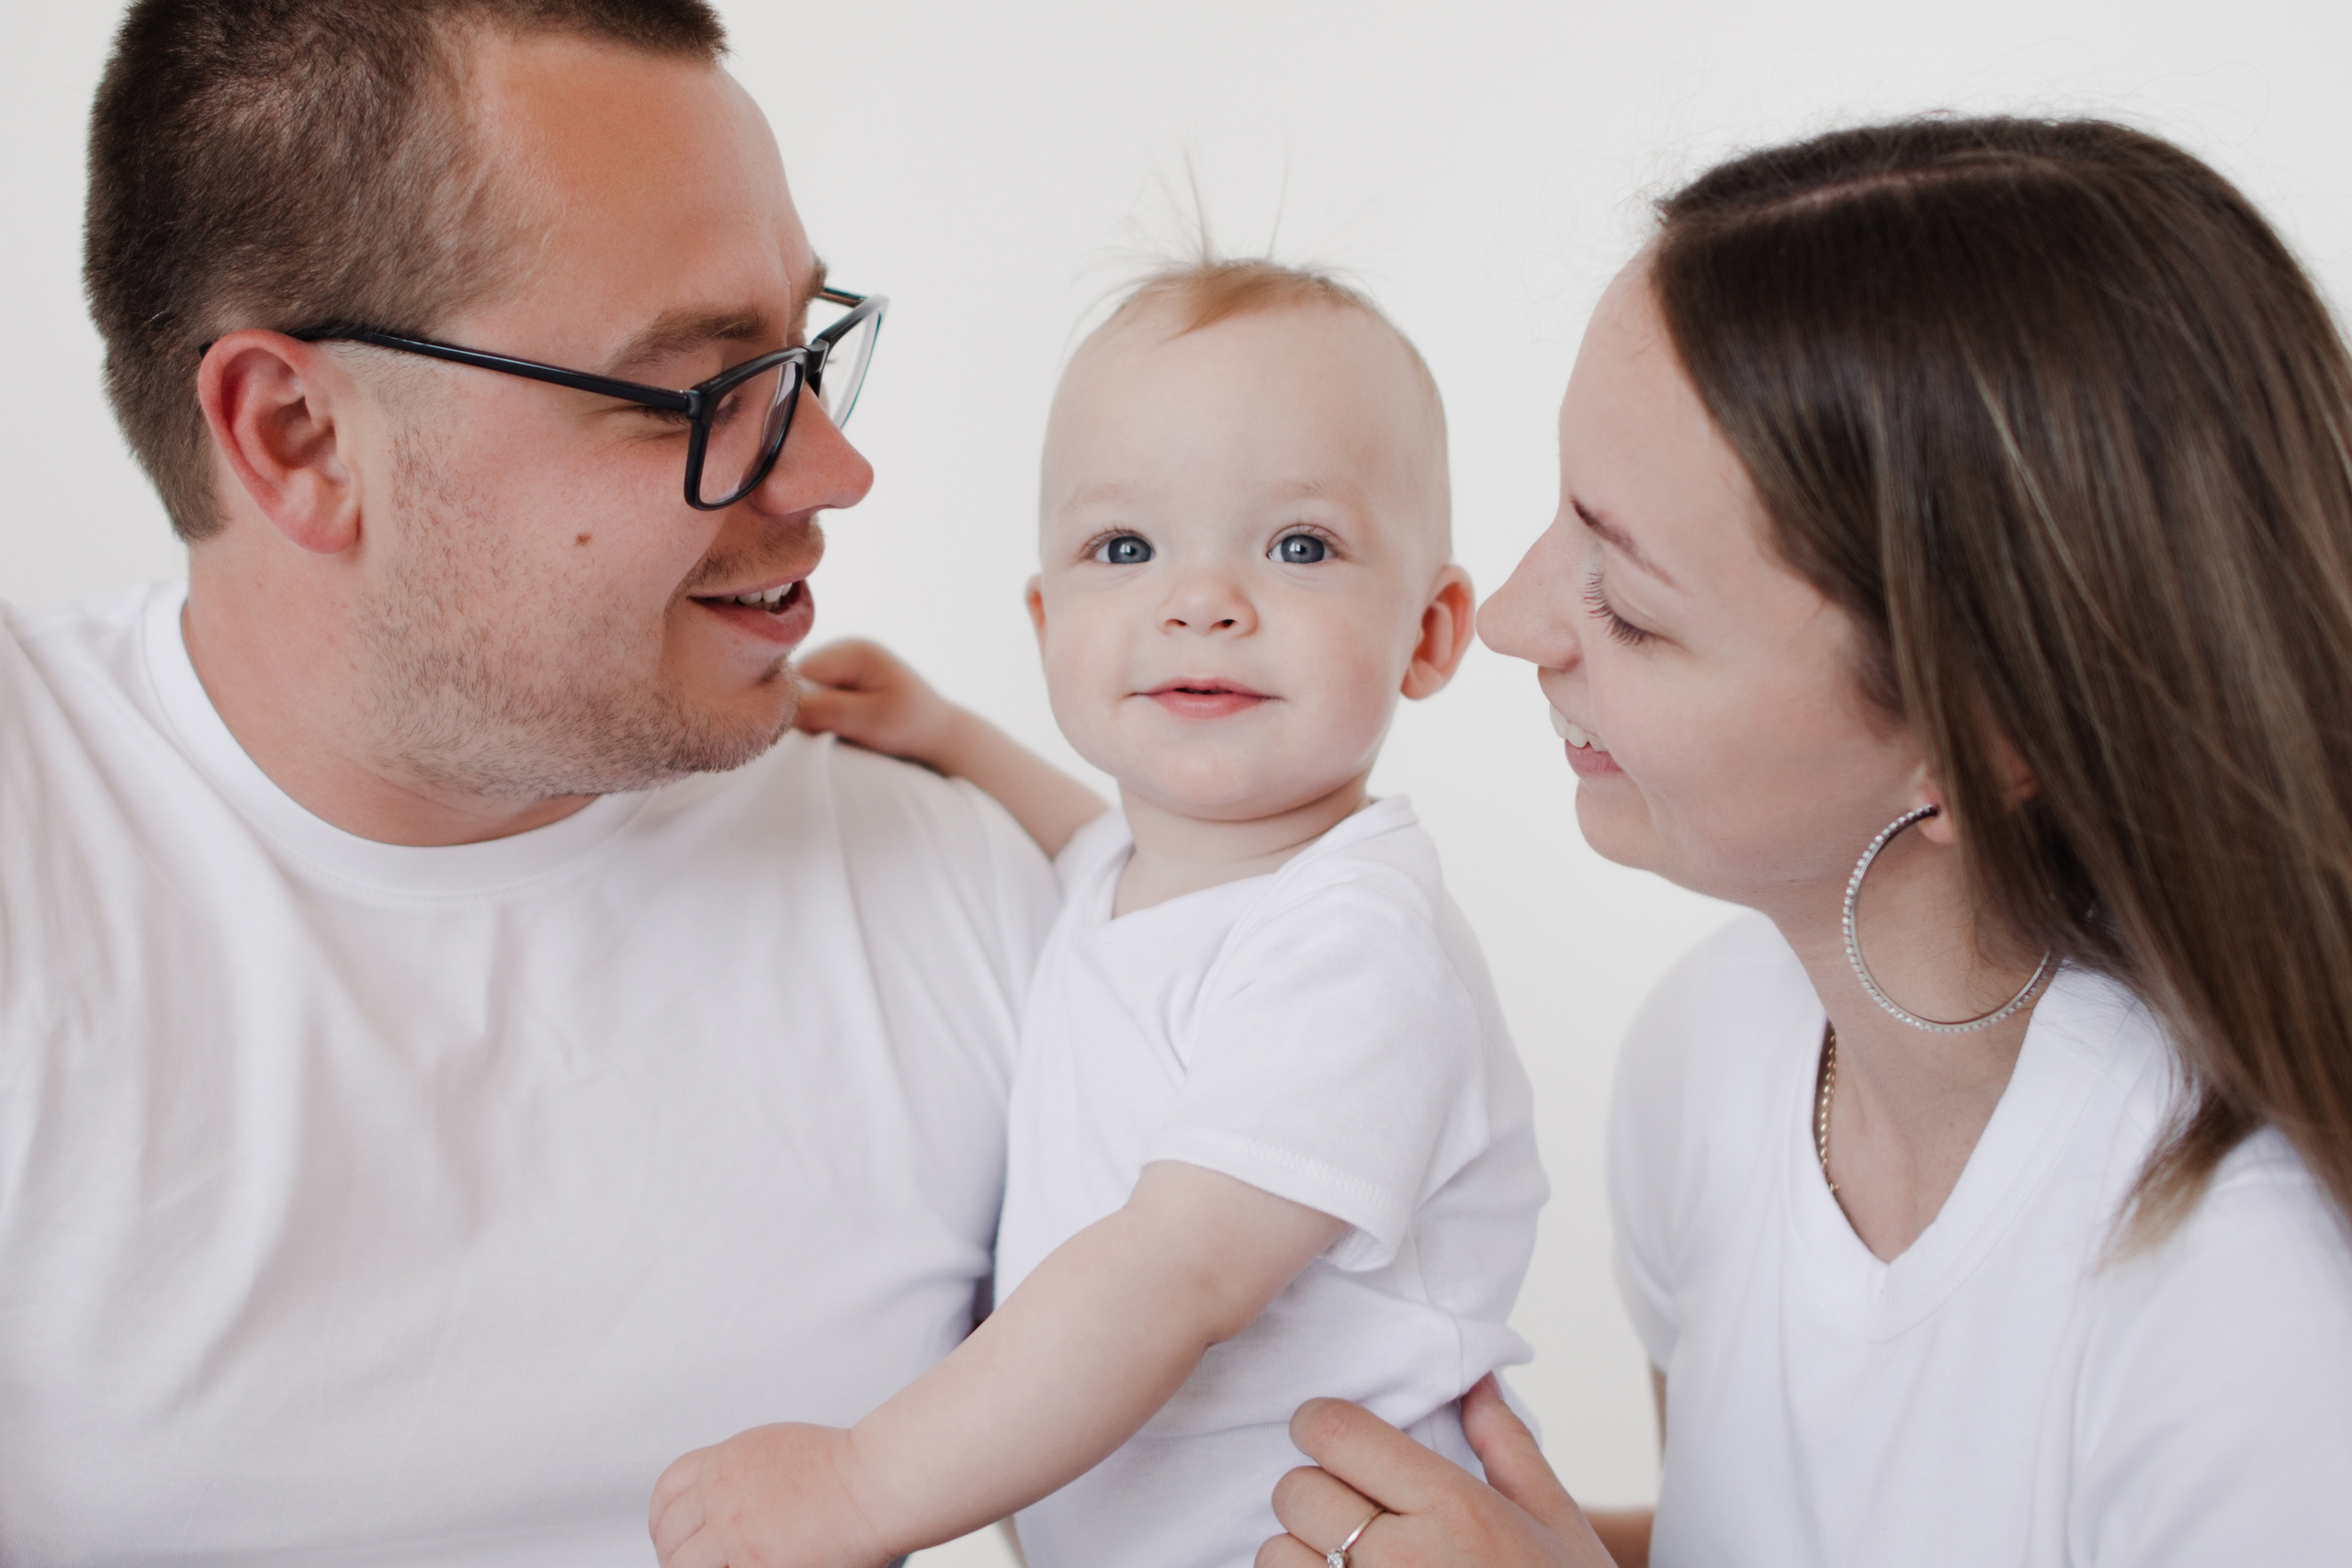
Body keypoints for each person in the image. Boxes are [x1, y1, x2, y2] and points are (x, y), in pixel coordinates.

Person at [0, 3, 1059, 1562]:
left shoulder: (953, 881)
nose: (830, 470)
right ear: (297, 436)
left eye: (805, 344)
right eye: (704, 392)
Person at [1259, 117, 2352, 1567]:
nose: (1516, 621)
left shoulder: (2257, 1312)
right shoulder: (1715, 1054)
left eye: (1629, 604)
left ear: (1980, 739)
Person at [648, 261, 1548, 1568]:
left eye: (1300, 546)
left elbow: (1172, 1275)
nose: (1202, 600)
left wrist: (858, 1487)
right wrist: (950, 735)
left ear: (1429, 630)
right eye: (1124, 550)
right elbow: (1094, 851)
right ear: (1047, 618)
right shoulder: (1157, 879)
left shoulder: (1360, 950)